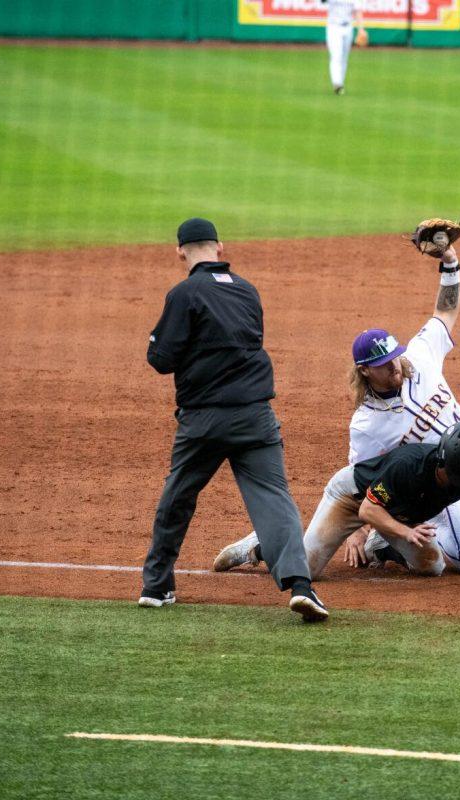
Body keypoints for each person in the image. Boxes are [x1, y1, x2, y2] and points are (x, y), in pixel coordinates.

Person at [214, 238, 460, 579]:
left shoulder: (420, 356)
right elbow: (362, 480)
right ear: (365, 371)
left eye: (395, 358)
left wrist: (450, 262)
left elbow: (446, 312)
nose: (395, 367)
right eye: (385, 365)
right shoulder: (367, 423)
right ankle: (274, 544)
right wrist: (360, 531)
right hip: (445, 482)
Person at [140, 217, 327, 622]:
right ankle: (301, 585)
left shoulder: (184, 293)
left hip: (203, 422)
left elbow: (160, 359)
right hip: (255, 416)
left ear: (180, 251)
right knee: (275, 500)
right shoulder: (247, 291)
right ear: (220, 247)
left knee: (178, 497)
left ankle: (156, 587)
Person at [217, 423, 460, 581]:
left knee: (432, 566)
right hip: (352, 498)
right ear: (442, 460)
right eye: (458, 478)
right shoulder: (408, 465)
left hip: (394, 515)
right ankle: (262, 546)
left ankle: (383, 548)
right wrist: (403, 530)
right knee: (307, 572)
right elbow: (367, 509)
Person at [325, 0, 366, 95]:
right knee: (336, 55)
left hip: (348, 27)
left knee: (344, 57)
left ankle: (340, 83)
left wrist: (361, 29)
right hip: (333, 27)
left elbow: (357, 12)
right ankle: (337, 83)